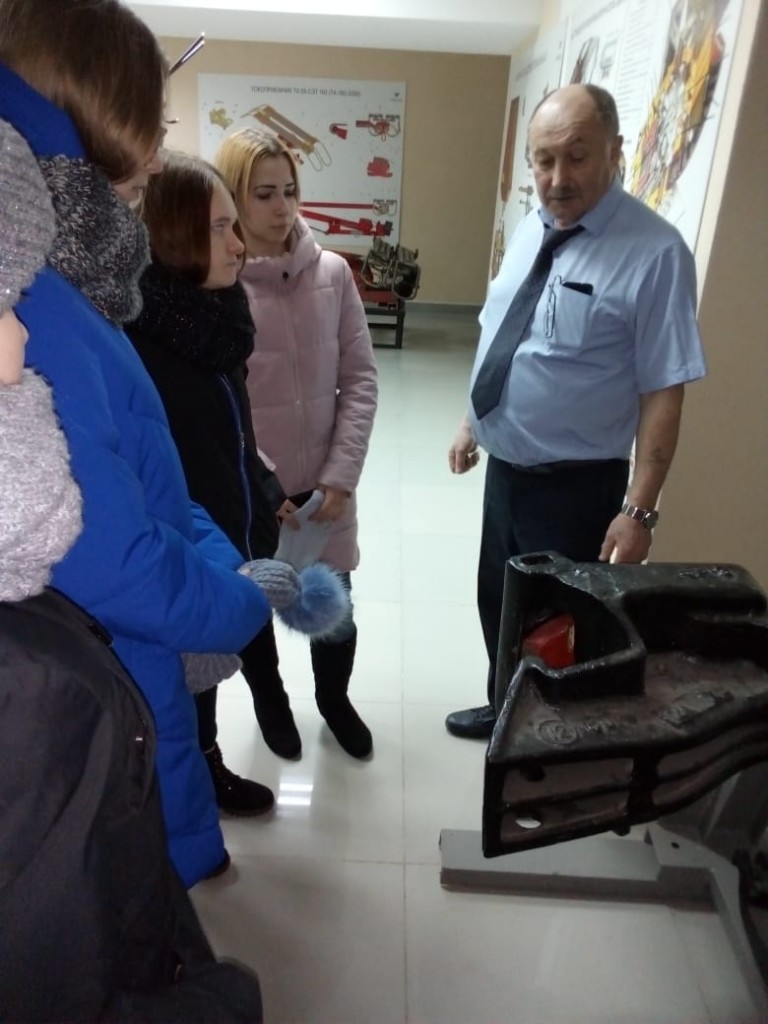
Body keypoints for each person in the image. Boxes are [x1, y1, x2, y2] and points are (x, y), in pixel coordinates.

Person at [0, 0, 284, 886]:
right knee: (135, 911)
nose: (159, 158)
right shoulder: (39, 307)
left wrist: (216, 553)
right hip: (105, 696)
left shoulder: (77, 286)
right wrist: (241, 600)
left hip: (127, 674)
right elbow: (111, 561)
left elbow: (146, 481)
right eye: (152, 128)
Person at [446, 83, 707, 740]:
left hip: (575, 487)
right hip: (506, 472)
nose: (558, 179)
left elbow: (664, 389)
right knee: (499, 603)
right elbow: (503, 330)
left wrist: (640, 510)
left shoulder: (656, 253)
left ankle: (551, 744)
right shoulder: (531, 226)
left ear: (616, 151)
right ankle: (506, 713)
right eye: (544, 160)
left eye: (577, 156)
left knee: (558, 628)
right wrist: (472, 421)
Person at [126, 152, 305, 798]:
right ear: (173, 237)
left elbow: (233, 432)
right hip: (185, 545)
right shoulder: (140, 341)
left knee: (222, 653)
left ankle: (212, 754)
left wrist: (265, 490)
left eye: (234, 225)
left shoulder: (217, 319)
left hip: (234, 524)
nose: (239, 245)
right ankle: (201, 770)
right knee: (189, 675)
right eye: (219, 228)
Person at [215, 128, 379, 760]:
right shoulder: (220, 289)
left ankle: (334, 701)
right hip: (258, 497)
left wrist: (341, 476)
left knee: (334, 607)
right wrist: (263, 487)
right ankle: (272, 705)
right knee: (257, 605)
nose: (282, 207)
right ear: (234, 196)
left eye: (289, 190)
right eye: (263, 194)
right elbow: (219, 408)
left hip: (326, 493)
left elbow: (360, 379)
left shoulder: (333, 274)